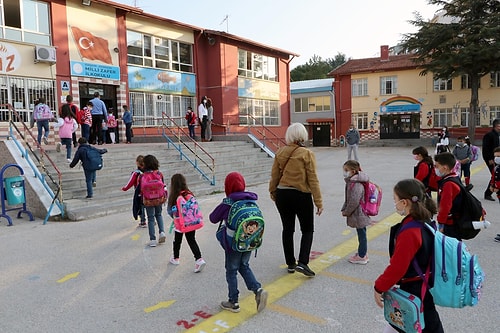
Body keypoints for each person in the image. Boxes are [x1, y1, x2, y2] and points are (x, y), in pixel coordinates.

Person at [374, 178, 444, 333]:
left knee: (422, 324)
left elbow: (398, 267)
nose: (395, 203)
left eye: (395, 199)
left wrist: (379, 287)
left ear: (404, 202)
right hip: (426, 282)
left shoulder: (410, 231)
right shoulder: (426, 221)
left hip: (415, 288)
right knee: (403, 324)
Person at [269, 123, 323, 277]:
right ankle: (303, 263)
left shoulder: (280, 152)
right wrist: (318, 202)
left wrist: (273, 193)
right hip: (301, 195)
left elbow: (275, 176)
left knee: (288, 229)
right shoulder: (306, 153)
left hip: (283, 194)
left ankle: (290, 263)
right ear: (303, 135)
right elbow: (313, 179)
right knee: (307, 229)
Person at [210, 172, 268, 313]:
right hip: (249, 242)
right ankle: (258, 290)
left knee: (231, 270)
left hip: (233, 245)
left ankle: (233, 302)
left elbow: (213, 218)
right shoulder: (250, 200)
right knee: (244, 265)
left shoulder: (228, 203)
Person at [167, 173, 206, 272]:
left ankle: (176, 258)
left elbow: (170, 211)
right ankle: (199, 259)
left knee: (177, 241)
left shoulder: (174, 197)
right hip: (191, 222)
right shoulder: (188, 194)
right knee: (191, 240)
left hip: (179, 223)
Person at [341, 160, 371, 265]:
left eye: (346, 170)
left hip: (359, 214)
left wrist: (347, 212)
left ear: (353, 171)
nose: (344, 172)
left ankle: (362, 256)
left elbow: (354, 200)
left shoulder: (356, 184)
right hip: (359, 213)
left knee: (361, 234)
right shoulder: (353, 181)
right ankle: (362, 252)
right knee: (361, 233)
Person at [434, 152, 462, 239]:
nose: (435, 169)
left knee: (450, 246)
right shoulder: (454, 177)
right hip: (455, 220)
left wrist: (441, 222)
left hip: (450, 222)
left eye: (437, 166)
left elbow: (445, 205)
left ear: (445, 167)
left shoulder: (448, 184)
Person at [140, 154, 166, 247]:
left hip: (148, 199)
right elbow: (163, 185)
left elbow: (141, 189)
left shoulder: (143, 176)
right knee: (159, 214)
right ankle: (162, 232)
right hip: (159, 198)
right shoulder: (159, 174)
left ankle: (152, 239)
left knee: (150, 218)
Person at [121, 155, 146, 228]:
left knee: (141, 206)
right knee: (148, 206)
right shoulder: (148, 171)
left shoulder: (136, 173)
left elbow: (131, 182)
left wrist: (124, 188)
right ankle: (152, 220)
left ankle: (143, 221)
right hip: (149, 192)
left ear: (137, 163)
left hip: (139, 192)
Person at [482, 118, 500, 201]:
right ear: (496, 126)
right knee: (495, 175)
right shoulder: (489, 135)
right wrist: (489, 159)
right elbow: (485, 148)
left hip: (498, 158)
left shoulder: (497, 135)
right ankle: (488, 193)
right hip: (492, 159)